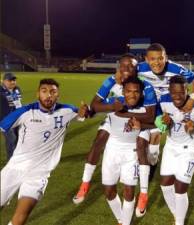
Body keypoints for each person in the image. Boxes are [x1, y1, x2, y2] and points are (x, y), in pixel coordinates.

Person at [134, 43, 194, 217]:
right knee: (152, 133)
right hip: (158, 105)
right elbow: (124, 78)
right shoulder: (139, 68)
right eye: (152, 59)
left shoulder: (175, 69)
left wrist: (192, 98)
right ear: (146, 59)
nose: (157, 63)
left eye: (160, 58)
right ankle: (150, 171)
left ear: (166, 57)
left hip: (178, 101)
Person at [0, 78, 88, 225]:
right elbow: (3, 126)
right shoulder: (26, 112)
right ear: (37, 94)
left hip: (39, 174)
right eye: (44, 91)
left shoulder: (67, 111)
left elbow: (83, 113)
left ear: (58, 95)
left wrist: (84, 111)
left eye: (53, 92)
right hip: (15, 168)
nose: (48, 95)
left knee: (21, 216)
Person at [73, 54, 157, 204]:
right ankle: (85, 183)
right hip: (115, 119)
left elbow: (151, 116)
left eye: (131, 66)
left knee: (142, 148)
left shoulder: (145, 86)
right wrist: (113, 108)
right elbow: (95, 105)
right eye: (123, 66)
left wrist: (123, 113)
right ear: (119, 67)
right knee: (99, 141)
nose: (126, 69)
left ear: (137, 69)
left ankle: (143, 193)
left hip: (138, 120)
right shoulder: (111, 81)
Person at [155, 76, 194, 225]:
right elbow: (157, 121)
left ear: (187, 90)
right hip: (171, 146)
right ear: (169, 91)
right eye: (174, 93)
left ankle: (179, 222)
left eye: (181, 92)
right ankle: (177, 215)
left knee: (180, 188)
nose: (178, 96)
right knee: (165, 185)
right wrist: (164, 122)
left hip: (190, 149)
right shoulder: (163, 101)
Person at [101, 76, 154, 225]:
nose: (132, 95)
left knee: (129, 192)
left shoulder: (147, 109)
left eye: (136, 91)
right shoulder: (114, 103)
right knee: (109, 192)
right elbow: (95, 107)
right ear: (123, 91)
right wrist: (85, 112)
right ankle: (121, 219)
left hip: (131, 152)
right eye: (129, 91)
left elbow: (158, 125)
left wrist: (142, 126)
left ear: (141, 93)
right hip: (112, 150)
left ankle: (125, 222)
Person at [0, 72, 22, 159]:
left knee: (18, 138)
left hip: (17, 118)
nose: (13, 82)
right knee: (11, 139)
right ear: (4, 81)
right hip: (4, 120)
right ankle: (11, 160)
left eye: (14, 80)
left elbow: (18, 103)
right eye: (10, 80)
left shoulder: (17, 89)